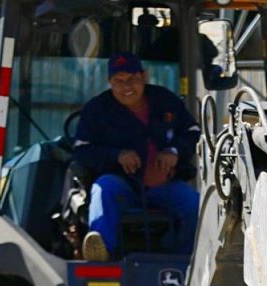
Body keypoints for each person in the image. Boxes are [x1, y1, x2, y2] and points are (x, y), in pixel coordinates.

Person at [72, 52, 201, 261]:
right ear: (110, 82)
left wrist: (174, 151)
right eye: (119, 81)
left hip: (165, 186)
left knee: (195, 204)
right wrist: (116, 156)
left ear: (144, 76)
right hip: (122, 184)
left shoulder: (165, 100)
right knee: (102, 190)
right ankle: (100, 254)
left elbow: (193, 132)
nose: (127, 87)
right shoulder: (96, 109)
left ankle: (187, 261)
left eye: (132, 79)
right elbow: (81, 151)